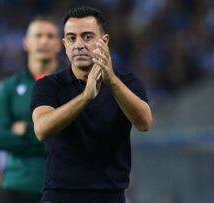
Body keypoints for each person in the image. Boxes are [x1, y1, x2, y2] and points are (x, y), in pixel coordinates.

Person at [31, 7, 153, 203]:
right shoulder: (48, 85)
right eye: (71, 38)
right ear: (64, 44)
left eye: (87, 37)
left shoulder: (127, 83)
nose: (79, 45)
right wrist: (86, 96)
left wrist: (111, 81)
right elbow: (42, 129)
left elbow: (144, 122)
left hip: (110, 196)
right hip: (60, 196)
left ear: (104, 41)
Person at [0, 16, 61, 203]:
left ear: (60, 44)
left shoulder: (73, 87)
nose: (44, 41)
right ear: (26, 42)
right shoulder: (8, 87)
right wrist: (47, 132)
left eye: (50, 36)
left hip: (60, 187)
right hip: (16, 186)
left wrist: (24, 131)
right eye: (38, 35)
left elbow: (74, 139)